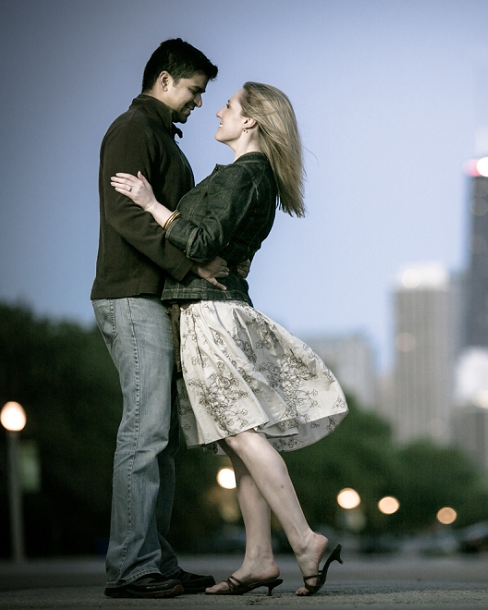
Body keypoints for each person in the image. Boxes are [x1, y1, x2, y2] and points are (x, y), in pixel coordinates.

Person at [111, 81, 348, 597]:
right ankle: (259, 559)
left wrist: (152, 203)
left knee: (241, 433)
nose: (215, 111)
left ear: (251, 122)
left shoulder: (244, 175)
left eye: (229, 106)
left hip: (209, 315)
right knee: (237, 440)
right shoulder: (256, 177)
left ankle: (305, 540)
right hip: (223, 310)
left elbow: (197, 240)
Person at [91, 39, 223, 599]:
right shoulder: (132, 130)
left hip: (153, 298)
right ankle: (130, 567)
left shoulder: (160, 136)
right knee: (144, 432)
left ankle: (157, 562)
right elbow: (125, 214)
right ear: (164, 81)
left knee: (162, 438)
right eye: (194, 91)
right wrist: (190, 269)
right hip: (131, 296)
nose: (197, 102)